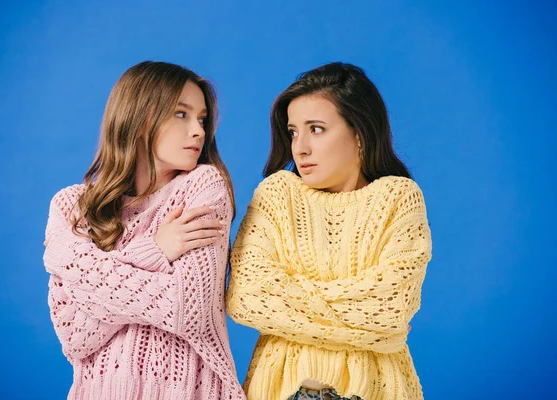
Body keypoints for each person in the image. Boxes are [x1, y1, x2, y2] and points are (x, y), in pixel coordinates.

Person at [227, 62, 432, 400]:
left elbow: (392, 307)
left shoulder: (399, 197)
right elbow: (247, 298)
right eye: (293, 132)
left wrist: (291, 302)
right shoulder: (276, 195)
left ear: (360, 133)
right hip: (279, 387)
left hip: (376, 387)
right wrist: (381, 334)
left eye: (317, 129)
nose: (300, 147)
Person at [43, 61, 245, 400]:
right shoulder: (72, 207)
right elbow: (75, 337)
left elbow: (188, 309)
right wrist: (156, 250)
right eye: (181, 114)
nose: (198, 130)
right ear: (137, 119)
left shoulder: (203, 187)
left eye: (202, 118)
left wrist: (96, 284)